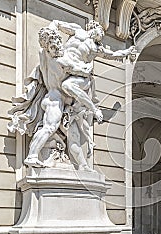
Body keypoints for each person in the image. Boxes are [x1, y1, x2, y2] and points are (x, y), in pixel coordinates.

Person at [8, 20, 136, 167]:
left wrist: (127, 52)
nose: (101, 34)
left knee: (66, 130)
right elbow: (56, 23)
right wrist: (50, 34)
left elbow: (113, 54)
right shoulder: (76, 31)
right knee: (51, 126)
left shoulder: (96, 48)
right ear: (93, 28)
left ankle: (71, 163)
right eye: (100, 30)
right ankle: (33, 155)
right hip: (59, 92)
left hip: (73, 84)